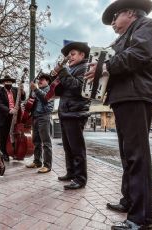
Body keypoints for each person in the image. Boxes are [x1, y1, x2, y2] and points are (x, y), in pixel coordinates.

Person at [85, 0, 152, 229]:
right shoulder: (119, 39)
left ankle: (142, 218)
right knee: (128, 156)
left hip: (136, 95)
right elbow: (111, 60)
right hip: (123, 97)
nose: (113, 25)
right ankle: (129, 201)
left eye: (115, 18)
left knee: (137, 157)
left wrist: (104, 68)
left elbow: (139, 54)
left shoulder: (147, 24)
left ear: (129, 13)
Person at [51, 40, 91, 190]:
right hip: (66, 112)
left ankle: (80, 178)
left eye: (72, 54)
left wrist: (62, 71)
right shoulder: (71, 69)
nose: (70, 57)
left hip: (76, 112)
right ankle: (71, 173)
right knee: (68, 147)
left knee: (77, 148)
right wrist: (56, 77)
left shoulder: (85, 67)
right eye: (68, 55)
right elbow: (60, 90)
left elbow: (76, 87)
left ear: (82, 54)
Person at [25, 73, 54, 173]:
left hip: (44, 116)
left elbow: (45, 100)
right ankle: (37, 161)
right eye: (39, 79)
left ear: (48, 81)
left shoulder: (50, 90)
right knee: (36, 141)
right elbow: (30, 102)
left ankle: (47, 165)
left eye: (42, 79)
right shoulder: (35, 91)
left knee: (46, 142)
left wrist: (36, 89)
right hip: (35, 117)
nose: (40, 81)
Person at [0, 75, 26, 162]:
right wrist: (9, 110)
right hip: (4, 116)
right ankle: (4, 153)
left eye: (10, 81)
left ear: (12, 82)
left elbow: (23, 98)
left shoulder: (16, 90)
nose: (8, 83)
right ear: (3, 83)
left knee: (14, 135)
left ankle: (13, 152)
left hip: (16, 116)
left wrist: (22, 91)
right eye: (6, 81)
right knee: (4, 136)